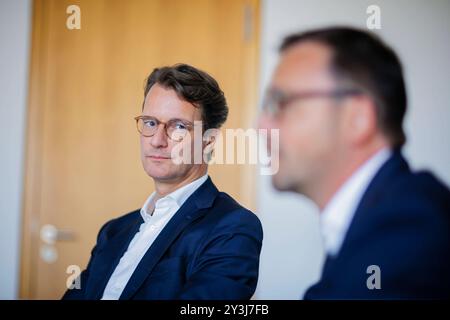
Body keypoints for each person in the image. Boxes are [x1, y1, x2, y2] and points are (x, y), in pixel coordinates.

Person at [259, 27, 450, 299]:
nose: (261, 126)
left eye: (281, 103)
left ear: (358, 118)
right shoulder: (374, 218)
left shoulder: (408, 226)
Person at [63, 63, 263, 300]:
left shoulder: (232, 228)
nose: (157, 140)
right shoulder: (113, 231)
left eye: (178, 127)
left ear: (208, 142)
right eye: (150, 123)